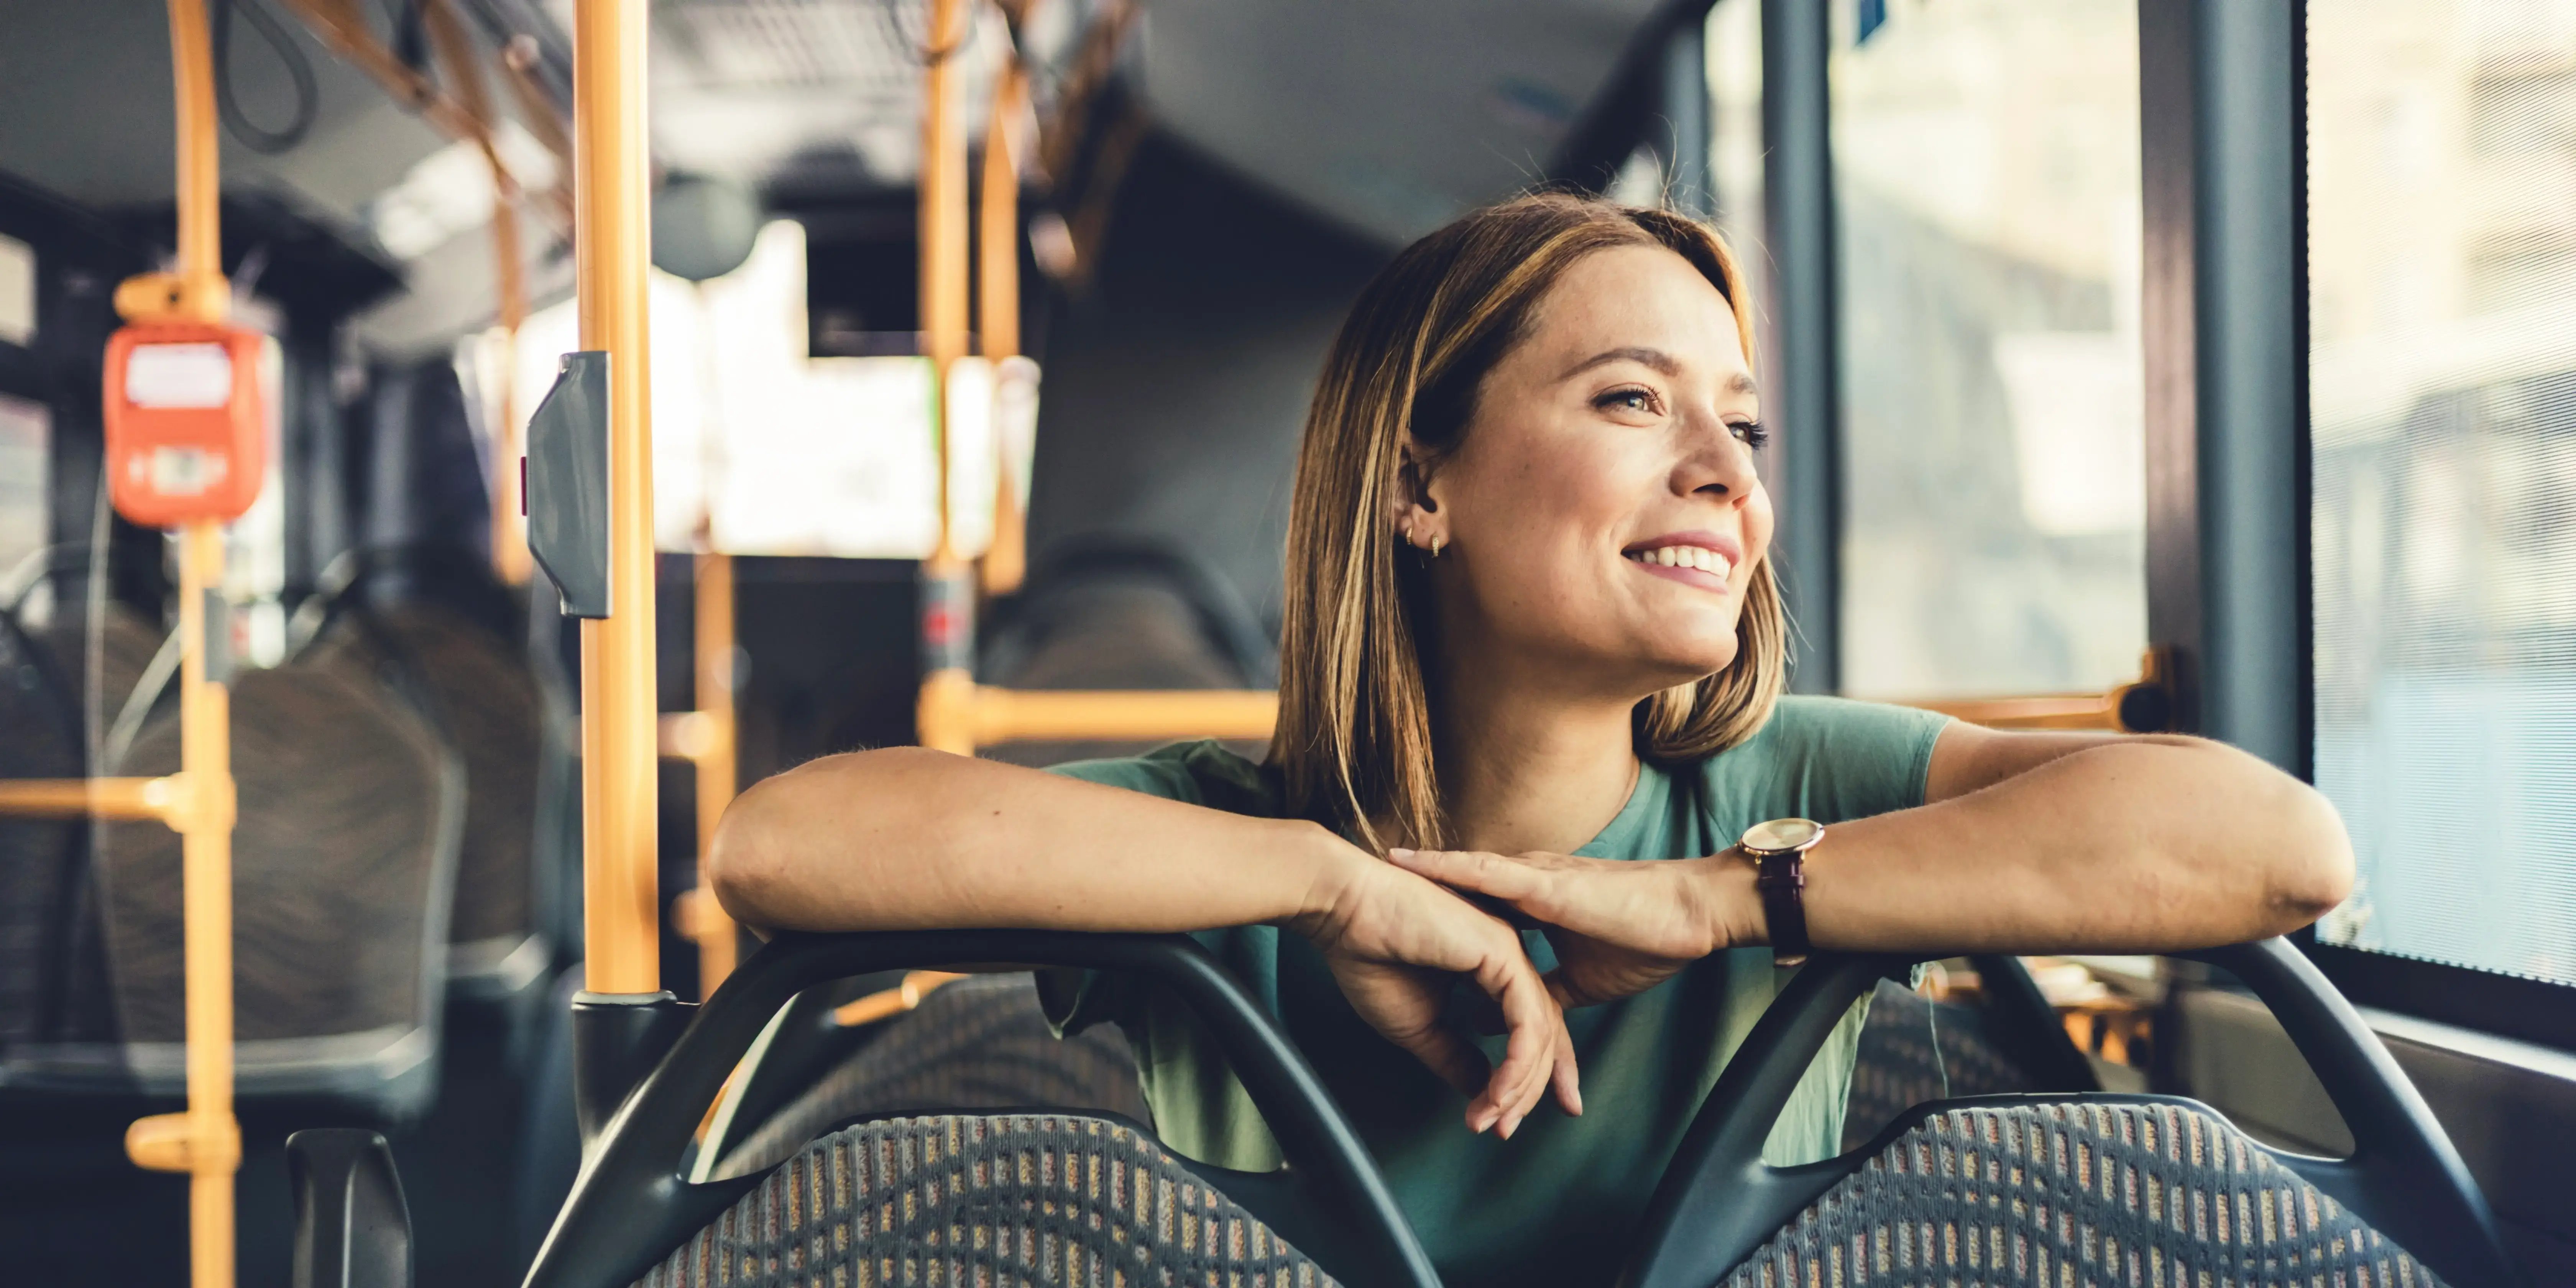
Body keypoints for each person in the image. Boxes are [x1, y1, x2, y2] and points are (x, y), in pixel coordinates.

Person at [708, 193, 2353, 1286]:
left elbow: (2282, 850)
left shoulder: (1789, 793)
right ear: (1418, 485)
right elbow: (779, 847)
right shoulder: (1231, 833)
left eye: (1744, 421)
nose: (1728, 468)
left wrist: (1729, 903)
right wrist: (1329, 890)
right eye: (1637, 402)